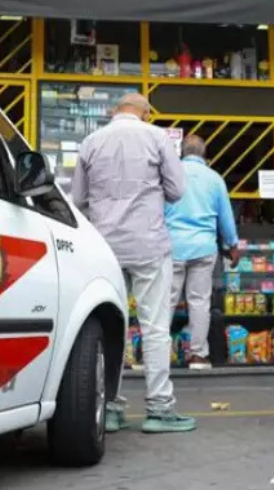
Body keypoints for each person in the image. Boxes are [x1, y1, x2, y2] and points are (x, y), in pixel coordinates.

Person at [72, 93, 196, 434]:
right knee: (155, 328)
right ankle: (159, 408)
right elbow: (177, 190)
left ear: (115, 112)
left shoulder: (91, 142)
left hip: (105, 249)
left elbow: (78, 199)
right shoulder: (156, 137)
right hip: (149, 245)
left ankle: (109, 406)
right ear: (144, 113)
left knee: (112, 328)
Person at [165, 135, 240, 370]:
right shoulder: (215, 179)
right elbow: (226, 217)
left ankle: (155, 356)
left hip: (173, 246)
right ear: (204, 154)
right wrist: (233, 245)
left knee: (166, 301)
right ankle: (198, 356)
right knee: (199, 303)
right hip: (204, 248)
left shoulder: (170, 175)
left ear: (182, 152)